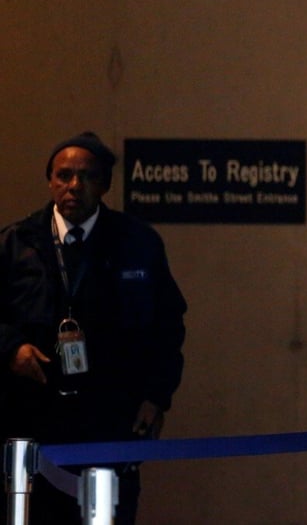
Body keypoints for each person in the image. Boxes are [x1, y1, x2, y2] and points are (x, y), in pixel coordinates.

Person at [0, 132, 187, 524]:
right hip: (35, 417)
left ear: (104, 184)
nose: (74, 186)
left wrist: (156, 397)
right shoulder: (17, 243)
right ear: (50, 181)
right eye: (64, 175)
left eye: (86, 177)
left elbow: (167, 327)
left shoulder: (137, 242)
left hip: (112, 417)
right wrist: (11, 347)